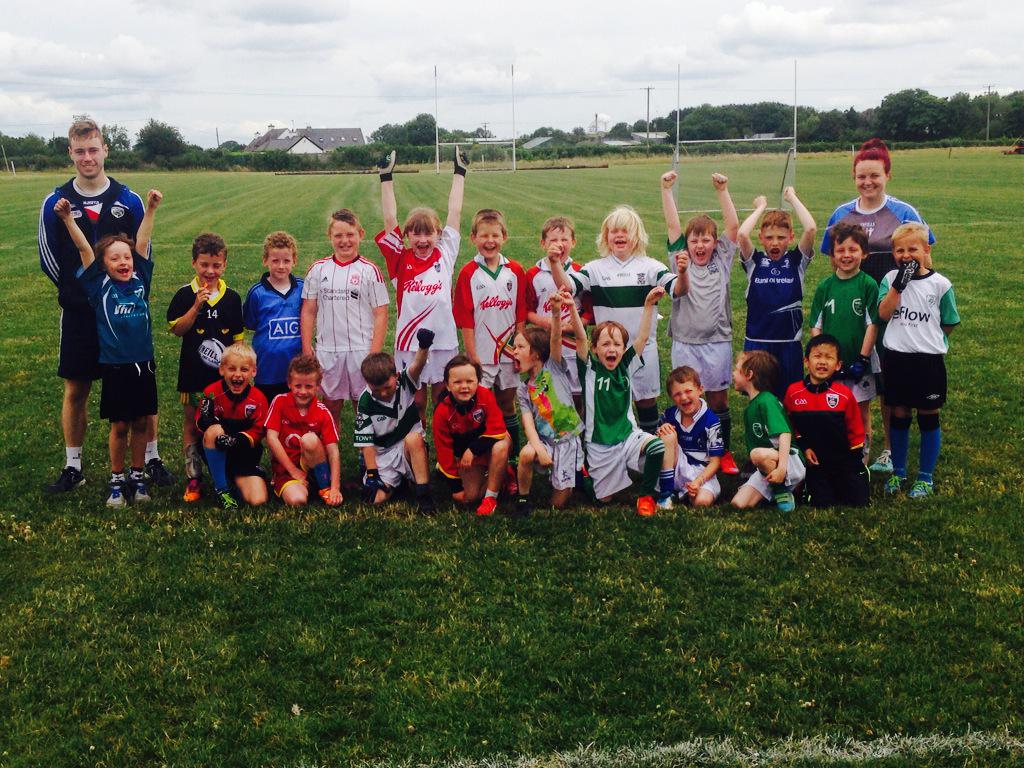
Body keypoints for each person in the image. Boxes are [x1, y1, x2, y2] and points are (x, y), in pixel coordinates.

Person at [39, 117, 172, 492]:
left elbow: (143, 252)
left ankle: (151, 458)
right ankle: (73, 466)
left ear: (105, 151)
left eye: (93, 149)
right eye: (80, 151)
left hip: (123, 315)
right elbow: (49, 257)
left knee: (141, 386)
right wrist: (83, 294)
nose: (87, 157)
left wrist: (122, 295)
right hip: (80, 313)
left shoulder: (128, 199)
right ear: (70, 153)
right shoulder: (55, 202)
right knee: (76, 388)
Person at [820, 138, 935, 474]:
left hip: (892, 309)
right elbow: (833, 261)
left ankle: (888, 449)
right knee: (856, 377)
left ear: (888, 175)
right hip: (854, 310)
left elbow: (925, 258)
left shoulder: (904, 212)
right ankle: (854, 443)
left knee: (886, 378)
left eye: (874, 175)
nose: (868, 182)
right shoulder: (841, 213)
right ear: (853, 177)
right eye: (861, 176)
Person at [54, 188, 161, 506]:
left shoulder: (141, 280)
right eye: (114, 258)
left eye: (126, 257)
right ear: (103, 264)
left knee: (141, 422)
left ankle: (137, 476)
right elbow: (84, 249)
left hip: (144, 364)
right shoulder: (99, 286)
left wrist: (150, 209)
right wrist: (67, 220)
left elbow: (142, 242)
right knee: (120, 425)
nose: (123, 262)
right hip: (115, 367)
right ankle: (117, 480)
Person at [552, 205, 683, 434]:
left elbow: (679, 290)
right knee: (611, 404)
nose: (620, 235)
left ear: (637, 236)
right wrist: (555, 263)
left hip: (643, 350)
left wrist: (683, 273)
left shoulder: (651, 267)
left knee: (646, 402)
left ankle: (648, 447)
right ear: (606, 237)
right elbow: (567, 286)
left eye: (626, 231)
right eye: (614, 231)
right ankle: (613, 447)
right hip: (609, 353)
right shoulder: (595, 269)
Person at [375, 148, 467, 425]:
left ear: (439, 234)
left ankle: (442, 445)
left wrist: (460, 172)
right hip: (409, 343)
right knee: (415, 401)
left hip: (444, 340)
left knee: (442, 398)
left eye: (429, 233)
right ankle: (418, 442)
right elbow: (389, 219)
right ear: (406, 236)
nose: (423, 239)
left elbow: (455, 211)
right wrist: (385, 176)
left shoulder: (446, 253)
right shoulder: (399, 259)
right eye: (416, 233)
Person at [660, 169, 740, 474]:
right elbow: (672, 225)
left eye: (706, 240)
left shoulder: (722, 259)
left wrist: (722, 191)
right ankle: (683, 450)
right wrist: (666, 190)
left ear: (715, 243)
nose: (700, 245)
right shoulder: (679, 259)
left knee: (718, 400)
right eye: (695, 240)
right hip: (685, 342)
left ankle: (724, 451)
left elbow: (733, 226)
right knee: (685, 397)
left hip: (717, 341)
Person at [572, 284, 676, 516]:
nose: (612, 349)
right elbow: (580, 336)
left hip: (628, 436)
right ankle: (584, 475)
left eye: (617, 344)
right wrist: (570, 308)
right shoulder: (589, 369)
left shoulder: (626, 365)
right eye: (605, 344)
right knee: (603, 500)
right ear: (595, 349)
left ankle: (646, 496)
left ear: (623, 348)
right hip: (599, 443)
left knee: (656, 447)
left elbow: (643, 337)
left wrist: (648, 304)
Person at [877, 223, 959, 498]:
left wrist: (930, 340)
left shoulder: (940, 284)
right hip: (897, 358)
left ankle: (925, 477)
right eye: (899, 250)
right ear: (893, 254)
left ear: (926, 250)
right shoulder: (890, 279)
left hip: (927, 361)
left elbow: (949, 322)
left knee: (928, 415)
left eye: (912, 249)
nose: (906, 255)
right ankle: (898, 472)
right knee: (899, 414)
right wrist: (898, 287)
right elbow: (884, 315)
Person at [167, 233, 245, 503]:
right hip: (193, 375)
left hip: (223, 380)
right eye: (204, 265)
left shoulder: (232, 298)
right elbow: (177, 330)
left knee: (224, 424)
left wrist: (237, 371)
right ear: (194, 263)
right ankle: (193, 478)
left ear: (224, 265)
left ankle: (227, 474)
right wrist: (196, 306)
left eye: (216, 265)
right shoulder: (184, 295)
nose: (210, 271)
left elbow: (238, 341)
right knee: (191, 424)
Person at [454, 208, 526, 491]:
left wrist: (520, 347)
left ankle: (512, 463)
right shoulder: (468, 273)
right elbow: (466, 318)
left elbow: (521, 314)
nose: (490, 241)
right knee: (480, 409)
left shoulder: (515, 271)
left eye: (495, 235)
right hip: (482, 355)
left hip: (508, 354)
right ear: (473, 238)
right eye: (483, 235)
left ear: (504, 237)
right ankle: (484, 462)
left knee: (507, 404)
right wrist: (472, 355)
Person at [301, 209, 389, 425]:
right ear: (329, 236)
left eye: (350, 234)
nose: (344, 241)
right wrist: (307, 348)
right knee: (331, 405)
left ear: (361, 234)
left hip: (361, 349)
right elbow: (308, 311)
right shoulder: (318, 269)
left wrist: (374, 353)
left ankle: (365, 446)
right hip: (328, 349)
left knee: (364, 404)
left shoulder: (370, 270)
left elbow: (381, 313)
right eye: (338, 235)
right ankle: (332, 445)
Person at [510, 290, 585, 515]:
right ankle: (523, 499)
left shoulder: (553, 366)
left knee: (558, 505)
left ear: (536, 353)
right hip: (544, 441)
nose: (514, 352)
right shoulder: (523, 389)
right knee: (526, 454)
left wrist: (555, 311)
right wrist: (538, 449)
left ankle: (578, 474)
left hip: (567, 442)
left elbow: (555, 339)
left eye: (520, 347)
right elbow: (528, 425)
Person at [737, 188, 817, 399]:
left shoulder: (796, 262)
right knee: (758, 398)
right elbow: (742, 234)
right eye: (769, 237)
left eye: (781, 237)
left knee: (789, 398)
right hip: (757, 343)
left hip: (788, 344)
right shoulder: (754, 262)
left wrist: (792, 198)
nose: (774, 242)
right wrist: (761, 206)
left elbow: (810, 228)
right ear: (761, 238)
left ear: (791, 237)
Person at [808, 222, 879, 459]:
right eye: (840, 250)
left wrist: (862, 359)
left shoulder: (868, 285)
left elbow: (872, 324)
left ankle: (861, 461)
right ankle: (833, 456)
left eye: (853, 249)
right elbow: (816, 326)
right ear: (832, 254)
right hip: (831, 366)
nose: (846, 255)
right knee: (830, 410)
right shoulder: (825, 287)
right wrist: (822, 358)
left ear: (864, 253)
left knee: (860, 411)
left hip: (858, 363)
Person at [354, 329, 436, 515]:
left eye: (387, 387)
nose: (383, 393)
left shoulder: (405, 381)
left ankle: (424, 495)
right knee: (374, 500)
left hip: (409, 447)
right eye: (377, 390)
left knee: (414, 438)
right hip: (383, 454)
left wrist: (424, 346)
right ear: (367, 383)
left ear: (396, 376)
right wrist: (372, 475)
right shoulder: (365, 401)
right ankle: (397, 482)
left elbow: (417, 365)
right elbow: (366, 443)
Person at [783, 335, 870, 507]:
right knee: (822, 503)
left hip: (843, 460)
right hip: (815, 461)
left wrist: (853, 461)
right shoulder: (794, 393)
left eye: (829, 357)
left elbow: (856, 429)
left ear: (838, 365)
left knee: (858, 502)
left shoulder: (843, 394)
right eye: (817, 356)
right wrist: (804, 447)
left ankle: (858, 475)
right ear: (806, 361)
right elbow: (790, 425)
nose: (822, 362)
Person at [523, 216, 594, 409]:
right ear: (543, 243)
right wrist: (546, 322)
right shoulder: (533, 274)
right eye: (553, 240)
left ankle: (579, 426)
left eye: (564, 239)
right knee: (547, 393)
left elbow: (589, 313)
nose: (559, 244)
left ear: (574, 242)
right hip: (545, 343)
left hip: (573, 345)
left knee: (577, 393)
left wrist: (573, 326)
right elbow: (527, 312)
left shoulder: (581, 272)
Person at [432, 355, 511, 517]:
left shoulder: (485, 395)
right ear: (447, 385)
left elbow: (498, 428)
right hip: (469, 455)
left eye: (470, 381)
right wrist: (456, 487)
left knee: (502, 444)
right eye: (457, 382)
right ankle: (501, 475)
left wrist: (473, 449)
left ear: (478, 381)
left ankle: (490, 498)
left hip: (489, 446)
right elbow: (444, 451)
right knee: (470, 497)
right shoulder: (442, 412)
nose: (464, 387)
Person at [195, 343, 269, 510]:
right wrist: (206, 420)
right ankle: (222, 490)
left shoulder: (258, 398)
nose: (237, 375)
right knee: (214, 430)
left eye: (244, 369)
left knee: (258, 499)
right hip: (218, 449)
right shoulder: (211, 392)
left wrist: (236, 440)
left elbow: (259, 432)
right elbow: (199, 425)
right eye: (231, 369)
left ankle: (234, 479)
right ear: (222, 370)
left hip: (244, 455)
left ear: (254, 372)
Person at [730, 350, 806, 512]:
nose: (733, 374)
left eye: (736, 370)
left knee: (757, 454)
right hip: (767, 465)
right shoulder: (752, 406)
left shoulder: (767, 401)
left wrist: (781, 469)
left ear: (749, 375)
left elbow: (785, 434)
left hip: (789, 461)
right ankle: (776, 489)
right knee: (738, 504)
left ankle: (783, 491)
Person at [263, 355, 343, 507]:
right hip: (288, 470)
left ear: (318, 386)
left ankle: (324, 486)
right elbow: (271, 438)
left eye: (309, 386)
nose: (303, 391)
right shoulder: (279, 402)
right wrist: (294, 471)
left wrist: (335, 488)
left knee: (309, 439)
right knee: (297, 500)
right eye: (298, 386)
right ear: (289, 383)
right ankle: (305, 487)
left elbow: (333, 451)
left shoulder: (322, 412)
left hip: (311, 463)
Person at [243, 231, 304, 401]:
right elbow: (250, 323)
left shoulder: (302, 288)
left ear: (294, 260)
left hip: (296, 368)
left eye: (286, 261)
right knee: (267, 411)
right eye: (275, 261)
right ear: (265, 260)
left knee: (295, 410)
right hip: (267, 370)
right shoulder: (257, 293)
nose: (281, 266)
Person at [658, 366, 724, 508]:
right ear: (671, 397)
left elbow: (715, 462)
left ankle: (686, 493)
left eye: (688, 391)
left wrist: (698, 481)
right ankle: (666, 492)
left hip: (702, 472)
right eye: (677, 394)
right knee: (667, 433)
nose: (683, 397)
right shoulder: (669, 415)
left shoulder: (711, 421)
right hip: (675, 467)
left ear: (700, 390)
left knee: (702, 502)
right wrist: (661, 430)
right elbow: (657, 445)